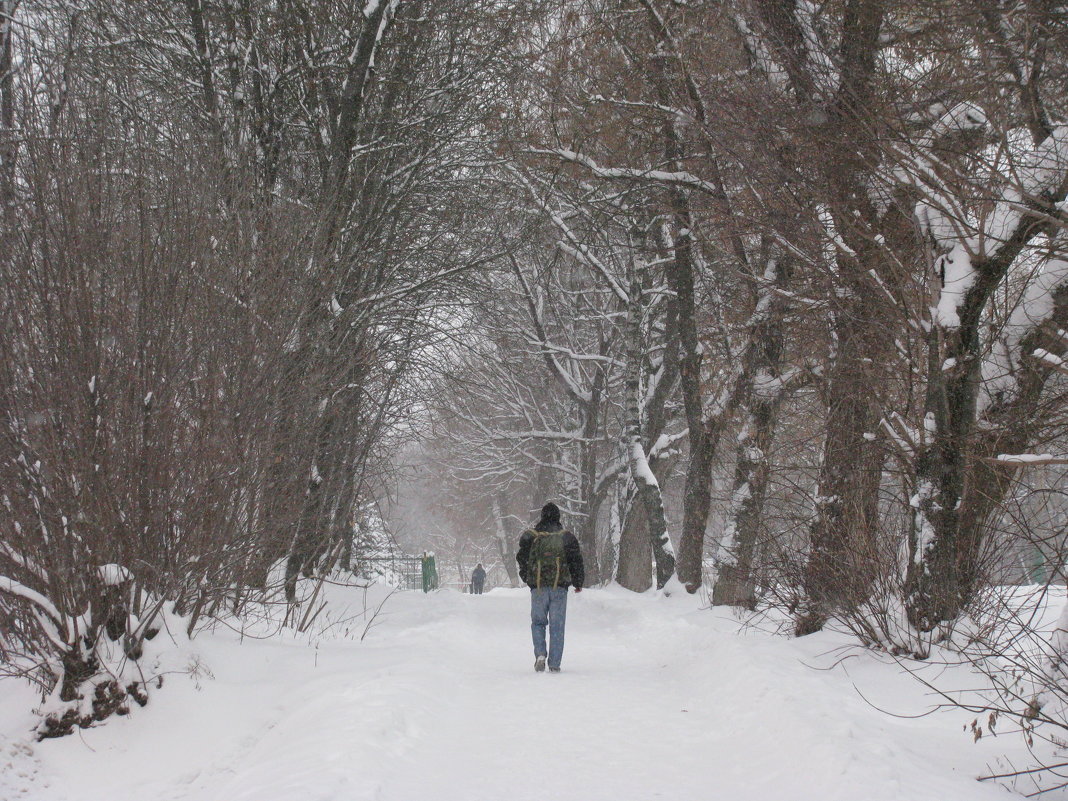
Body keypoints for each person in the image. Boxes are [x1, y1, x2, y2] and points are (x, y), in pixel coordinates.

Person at [516, 502, 584, 673]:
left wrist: (527, 577)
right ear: (558, 517)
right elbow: (576, 560)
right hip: (559, 587)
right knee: (557, 625)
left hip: (538, 586)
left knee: (538, 623)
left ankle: (540, 654)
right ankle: (554, 663)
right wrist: (578, 582)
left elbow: (521, 557)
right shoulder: (566, 537)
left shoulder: (531, 536)